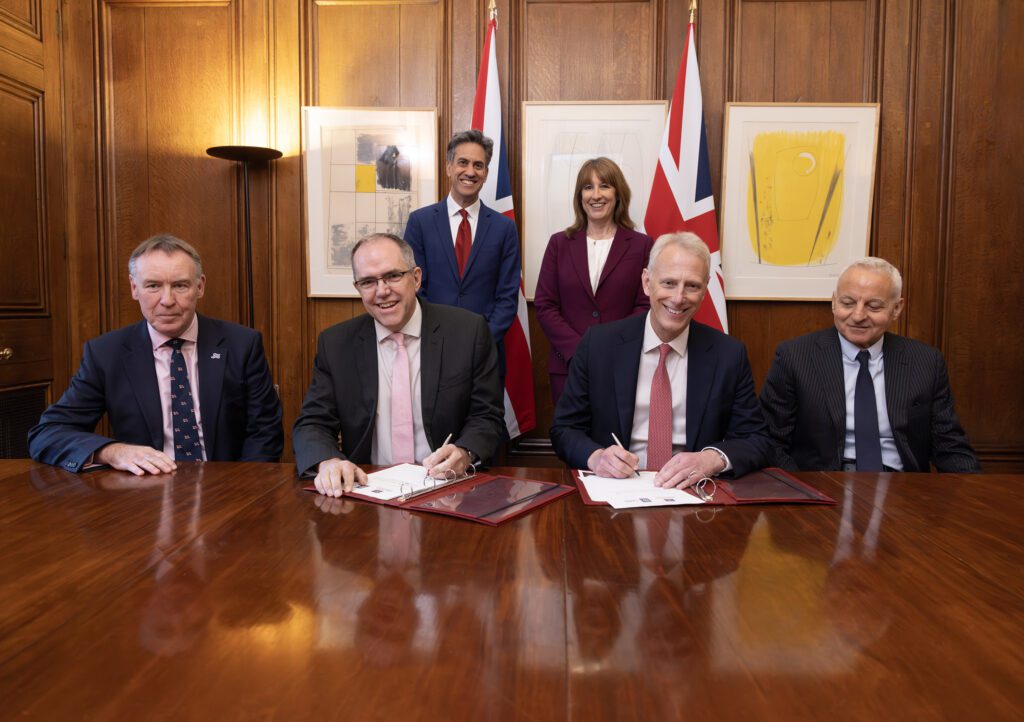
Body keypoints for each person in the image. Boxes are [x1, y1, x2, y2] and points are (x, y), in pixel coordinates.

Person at [27, 234, 284, 475]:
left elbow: (265, 432)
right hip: (143, 495)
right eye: (153, 285)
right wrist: (112, 451)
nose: (167, 300)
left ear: (200, 286)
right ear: (134, 288)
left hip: (227, 490)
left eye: (180, 285)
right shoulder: (106, 353)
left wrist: (240, 493)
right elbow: (47, 433)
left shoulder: (242, 344)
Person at [549, 232, 772, 487]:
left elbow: (756, 439)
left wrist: (710, 459)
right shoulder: (599, 345)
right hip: (616, 493)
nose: (678, 298)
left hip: (694, 496)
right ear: (647, 282)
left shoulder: (728, 355)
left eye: (692, 286)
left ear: (705, 289)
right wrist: (597, 457)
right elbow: (564, 429)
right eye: (668, 283)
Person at [292, 233, 505, 497]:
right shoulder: (336, 344)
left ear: (416, 278)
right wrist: (329, 461)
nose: (382, 291)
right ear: (358, 288)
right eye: (368, 282)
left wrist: (464, 452)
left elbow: (487, 418)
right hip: (367, 492)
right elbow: (312, 424)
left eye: (393, 276)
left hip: (448, 491)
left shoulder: (467, 331)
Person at [759, 256, 980, 472]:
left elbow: (949, 444)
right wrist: (800, 491)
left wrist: (974, 498)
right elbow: (770, 441)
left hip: (904, 489)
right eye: (848, 303)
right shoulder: (795, 356)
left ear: (896, 309)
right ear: (834, 302)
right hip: (825, 485)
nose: (858, 315)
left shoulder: (925, 361)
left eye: (873, 306)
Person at [535, 157, 654, 403]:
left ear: (618, 193)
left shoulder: (642, 245)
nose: (596, 194)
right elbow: (545, 305)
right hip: (568, 366)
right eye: (588, 187)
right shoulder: (559, 244)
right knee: (570, 437)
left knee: (615, 438)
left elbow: (645, 306)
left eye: (604, 186)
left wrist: (609, 347)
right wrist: (579, 351)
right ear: (580, 196)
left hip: (621, 363)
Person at [404, 129, 521, 362]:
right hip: (431, 348)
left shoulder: (504, 228)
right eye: (463, 162)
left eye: (478, 165)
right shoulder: (420, 222)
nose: (470, 171)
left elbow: (507, 296)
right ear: (449, 167)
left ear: (486, 173)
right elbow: (413, 287)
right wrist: (438, 336)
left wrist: (481, 340)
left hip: (486, 353)